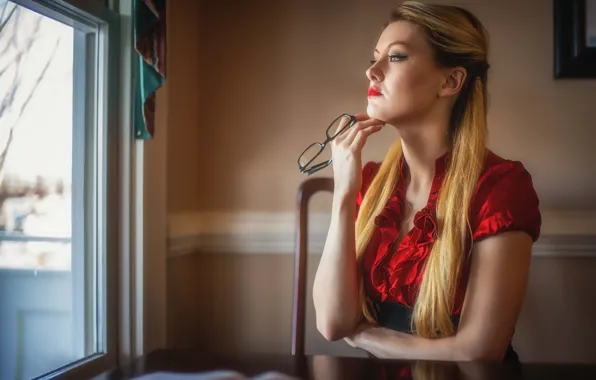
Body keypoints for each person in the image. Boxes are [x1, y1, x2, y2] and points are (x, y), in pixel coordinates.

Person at [312, 1, 541, 363]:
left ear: (451, 81)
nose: (372, 71)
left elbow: (477, 352)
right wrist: (344, 192)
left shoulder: (500, 188)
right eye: (375, 57)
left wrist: (363, 334)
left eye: (397, 57)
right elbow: (331, 322)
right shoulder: (372, 182)